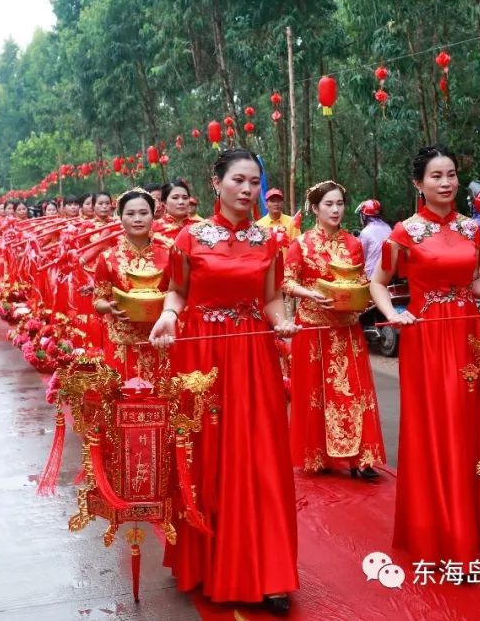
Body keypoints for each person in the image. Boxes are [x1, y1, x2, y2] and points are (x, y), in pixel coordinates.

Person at [369, 145, 480, 572]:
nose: (446, 183)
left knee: (467, 425)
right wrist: (392, 314)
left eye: (452, 174)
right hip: (425, 338)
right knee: (434, 427)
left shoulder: (471, 230)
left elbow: (474, 281)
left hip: (465, 335)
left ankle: (469, 528)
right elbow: (379, 283)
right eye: (436, 176)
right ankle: (434, 531)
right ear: (418, 184)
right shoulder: (404, 232)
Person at [150, 148, 300, 615]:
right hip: (203, 355)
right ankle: (208, 564)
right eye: (238, 180)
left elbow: (272, 297)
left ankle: (272, 574)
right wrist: (169, 317)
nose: (247, 190)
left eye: (254, 182)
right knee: (210, 454)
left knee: (262, 456)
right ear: (216, 184)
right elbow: (177, 291)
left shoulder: (269, 240)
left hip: (253, 356)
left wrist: (281, 322)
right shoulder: (189, 239)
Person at [283, 181, 385, 479]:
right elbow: (286, 281)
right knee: (315, 394)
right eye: (329, 204)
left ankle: (361, 459)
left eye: (340, 203)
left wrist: (361, 298)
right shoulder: (300, 244)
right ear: (315, 208)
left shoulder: (353, 244)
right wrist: (309, 293)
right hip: (313, 330)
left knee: (353, 392)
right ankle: (319, 455)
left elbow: (361, 281)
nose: (336, 209)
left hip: (346, 329)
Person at [92, 188, 172, 377]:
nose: (137, 219)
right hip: (122, 344)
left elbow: (181, 295)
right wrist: (110, 308)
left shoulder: (170, 254)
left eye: (144, 213)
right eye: (130, 213)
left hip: (161, 340)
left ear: (153, 216)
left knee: (163, 400)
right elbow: (98, 301)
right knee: (123, 400)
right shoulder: (107, 258)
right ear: (120, 217)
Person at [355, 198, 392, 278]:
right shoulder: (388, 228)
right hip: (388, 275)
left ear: (364, 216)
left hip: (371, 275)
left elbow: (361, 257)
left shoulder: (366, 232)